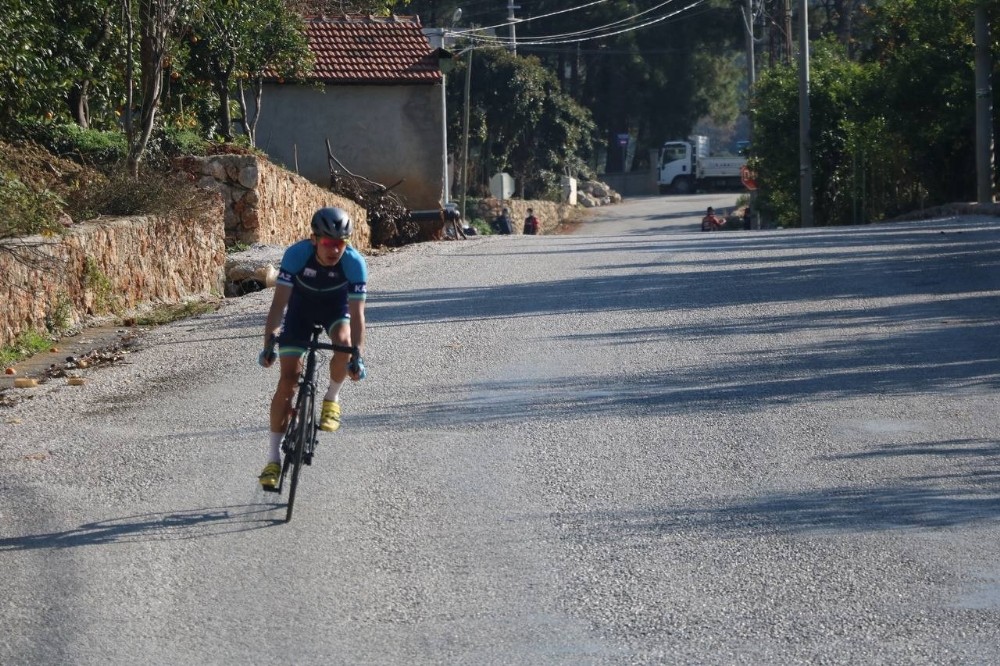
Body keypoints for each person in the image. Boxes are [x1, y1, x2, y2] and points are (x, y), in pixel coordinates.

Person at [256, 206, 367, 489]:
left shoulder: (354, 263)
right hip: (300, 311)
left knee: (343, 344)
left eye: (341, 243)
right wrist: (269, 342)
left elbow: (357, 316)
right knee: (288, 381)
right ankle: (272, 460)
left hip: (335, 310)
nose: (335, 250)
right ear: (315, 239)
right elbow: (279, 305)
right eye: (329, 243)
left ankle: (332, 398)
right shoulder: (296, 255)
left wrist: (357, 356)